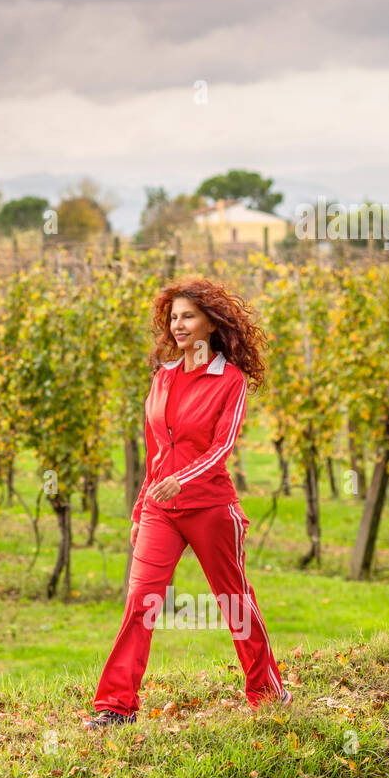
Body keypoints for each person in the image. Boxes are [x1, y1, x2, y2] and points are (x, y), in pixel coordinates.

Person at [83, 277, 290, 730]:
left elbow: (222, 447)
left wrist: (182, 479)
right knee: (141, 599)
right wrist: (141, 510)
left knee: (234, 600)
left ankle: (267, 691)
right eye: (173, 317)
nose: (178, 325)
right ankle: (116, 706)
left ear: (211, 324)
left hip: (211, 508)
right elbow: (155, 452)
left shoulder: (229, 381)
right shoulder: (163, 378)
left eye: (188, 316)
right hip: (162, 509)